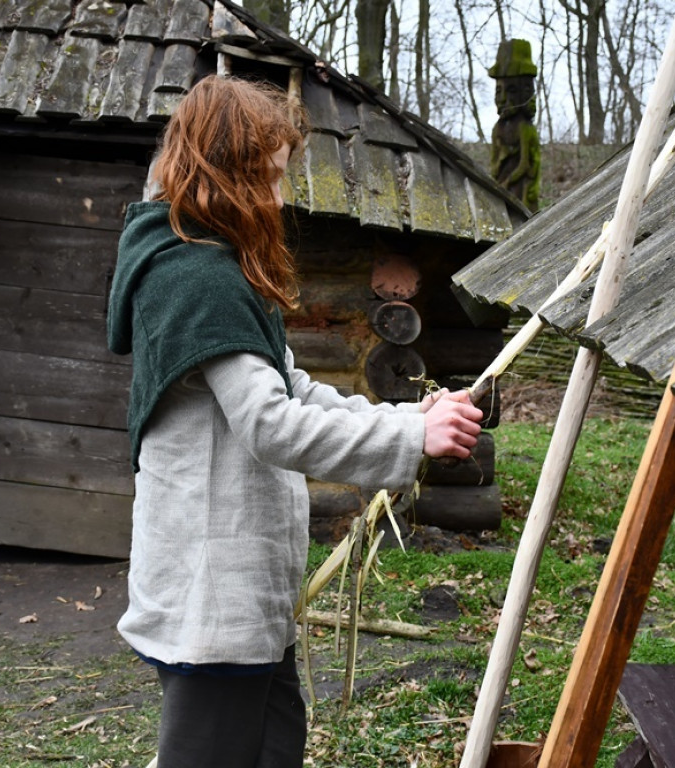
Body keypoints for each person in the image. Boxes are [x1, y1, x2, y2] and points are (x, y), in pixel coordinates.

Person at [106, 75, 483, 768]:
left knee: (276, 746)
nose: (280, 199)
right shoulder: (196, 278)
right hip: (214, 593)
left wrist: (403, 418)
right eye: (269, 179)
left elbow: (291, 385)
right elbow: (272, 423)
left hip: (243, 593)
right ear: (224, 176)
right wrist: (409, 439)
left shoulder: (216, 267)